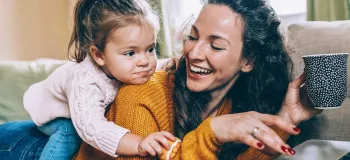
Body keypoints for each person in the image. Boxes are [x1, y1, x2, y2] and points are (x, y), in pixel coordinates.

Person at [74, 0, 321, 159]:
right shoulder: (140, 93)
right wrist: (211, 133)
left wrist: (287, 118)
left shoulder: (233, 103)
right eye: (193, 37)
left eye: (215, 46)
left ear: (248, 61)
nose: (194, 53)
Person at [0, 0, 177, 159]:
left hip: (81, 110)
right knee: (69, 135)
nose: (145, 61)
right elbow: (92, 128)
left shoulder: (129, 65)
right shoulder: (85, 82)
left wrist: (172, 63)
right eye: (130, 53)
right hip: (55, 114)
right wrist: (138, 143)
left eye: (150, 49)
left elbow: (157, 64)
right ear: (98, 55)